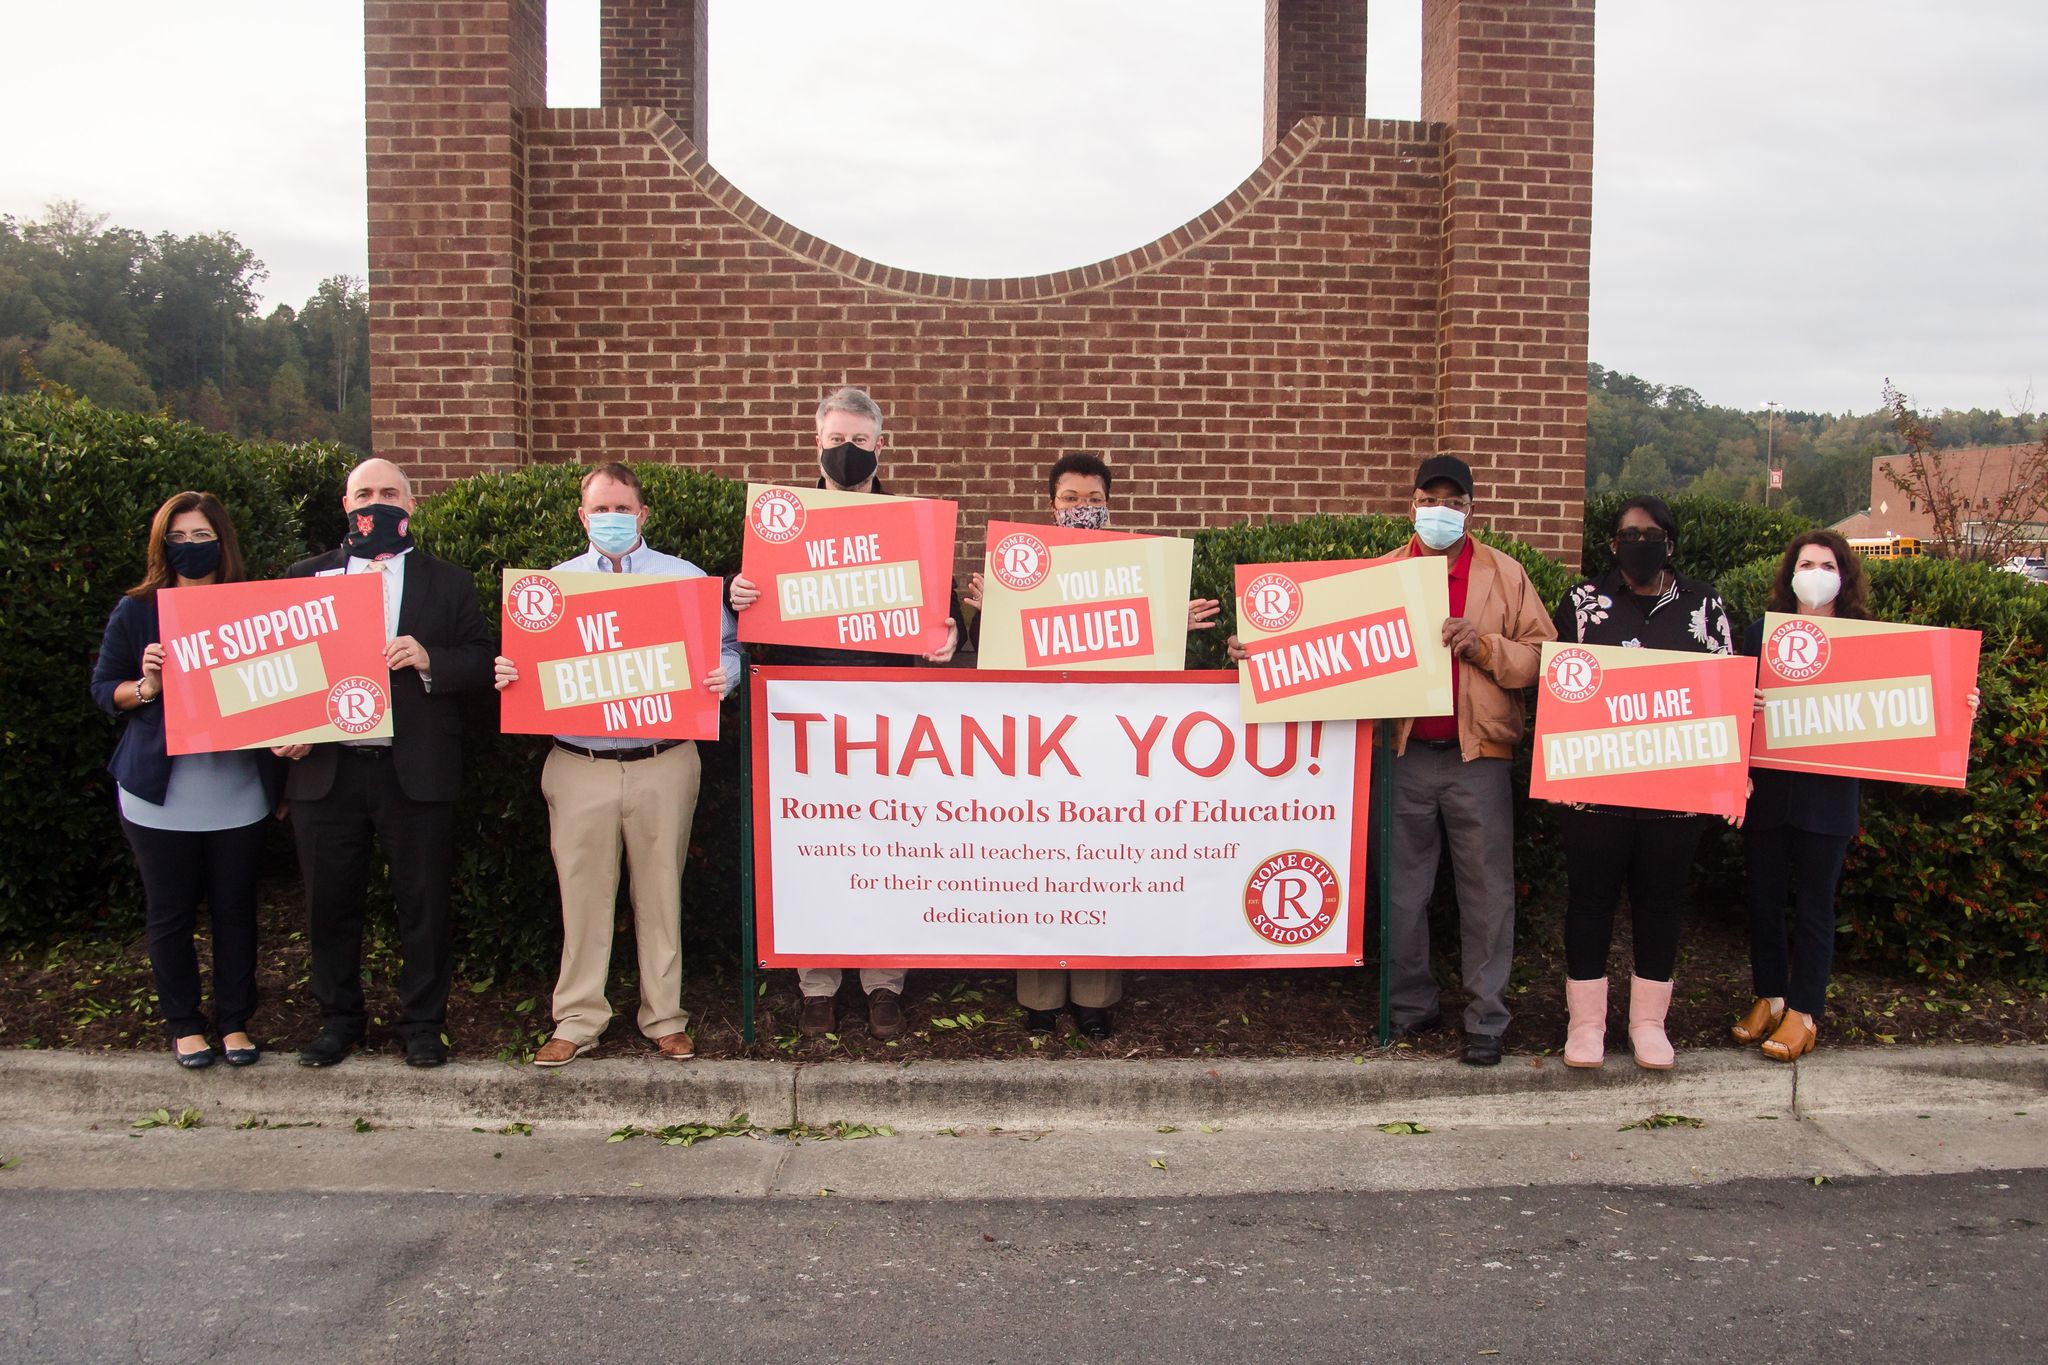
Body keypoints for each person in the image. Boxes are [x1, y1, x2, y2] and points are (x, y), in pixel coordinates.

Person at [1228, 454, 1555, 1066]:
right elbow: (1320, 647)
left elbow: (1543, 659)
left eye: (1453, 502)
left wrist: (1483, 647)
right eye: (1431, 499)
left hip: (1479, 755)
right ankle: (1411, 1006)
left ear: (1471, 510)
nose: (1441, 511)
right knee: (1402, 892)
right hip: (1403, 756)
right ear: (1412, 505)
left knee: (1488, 893)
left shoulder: (1505, 576)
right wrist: (1259, 650)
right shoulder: (1382, 576)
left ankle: (1486, 1019)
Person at [959, 450, 1223, 1041]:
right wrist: (991, 612)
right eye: (1072, 500)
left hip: (1108, 745)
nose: (1084, 510)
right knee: (1036, 865)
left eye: (1095, 501)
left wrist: (1165, 620)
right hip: (1033, 747)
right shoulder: (1018, 572)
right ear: (1051, 506)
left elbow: (1140, 657)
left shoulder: (1135, 570)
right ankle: (1039, 995)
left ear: (1110, 507)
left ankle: (1096, 997)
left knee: (1101, 861)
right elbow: (989, 660)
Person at [729, 386, 960, 1041]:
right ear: (817, 441)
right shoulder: (782, 525)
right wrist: (735, 592)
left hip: (888, 722)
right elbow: (743, 623)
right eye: (837, 440)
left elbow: (945, 621)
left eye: (860, 441)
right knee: (812, 854)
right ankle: (817, 984)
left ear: (880, 445)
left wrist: (949, 641)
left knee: (889, 850)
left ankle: (884, 983)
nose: (848, 451)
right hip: (804, 724)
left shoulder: (914, 526)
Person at [491, 462, 741, 1067]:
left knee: (661, 894)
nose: (610, 519)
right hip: (580, 763)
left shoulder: (684, 581)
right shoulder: (550, 591)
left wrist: (724, 675)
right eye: (599, 509)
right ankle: (577, 1020)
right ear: (582, 516)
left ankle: (665, 1018)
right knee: (582, 896)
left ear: (642, 514)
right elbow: (526, 666)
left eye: (621, 508)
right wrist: (508, 675)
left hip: (664, 759)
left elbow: (730, 648)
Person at [274, 458, 496, 1069]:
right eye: (366, 493)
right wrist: (284, 730)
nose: (378, 501)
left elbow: (483, 660)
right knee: (328, 903)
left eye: (390, 492)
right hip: (327, 771)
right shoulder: (304, 577)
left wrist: (429, 659)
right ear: (347, 505)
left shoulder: (446, 581)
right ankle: (338, 1020)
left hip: (415, 768)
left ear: (411, 504)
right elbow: (280, 675)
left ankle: (423, 1023)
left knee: (423, 904)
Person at [1733, 530, 1978, 1062]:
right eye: (1806, 563)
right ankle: (1770, 996)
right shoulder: (1759, 634)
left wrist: (1961, 702)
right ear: (1789, 573)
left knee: (1817, 906)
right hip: (1767, 794)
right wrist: (1740, 702)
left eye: (1826, 564)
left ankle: (1804, 1011)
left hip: (1829, 799)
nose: (1815, 573)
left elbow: (1919, 698)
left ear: (1843, 577)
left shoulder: (1867, 640)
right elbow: (1727, 712)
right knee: (1764, 902)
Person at [91, 492, 282, 1069]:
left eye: (204, 537)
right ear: (162, 543)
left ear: (223, 543)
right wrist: (146, 684)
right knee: (170, 914)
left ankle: (234, 1022)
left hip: (237, 790)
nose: (192, 548)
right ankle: (182, 1024)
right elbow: (105, 690)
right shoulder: (137, 610)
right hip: (161, 795)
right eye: (181, 537)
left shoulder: (252, 607)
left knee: (235, 910)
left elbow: (284, 684)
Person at [1552, 495, 1736, 1071]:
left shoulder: (1705, 604)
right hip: (1594, 793)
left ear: (1670, 542)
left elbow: (1725, 689)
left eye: (1651, 533)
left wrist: (1728, 777)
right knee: (1589, 904)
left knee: (1660, 906)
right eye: (1628, 534)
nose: (1640, 542)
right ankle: (1586, 1026)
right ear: (1612, 545)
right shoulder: (1583, 603)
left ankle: (1649, 1024)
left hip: (1675, 796)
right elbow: (1559, 686)